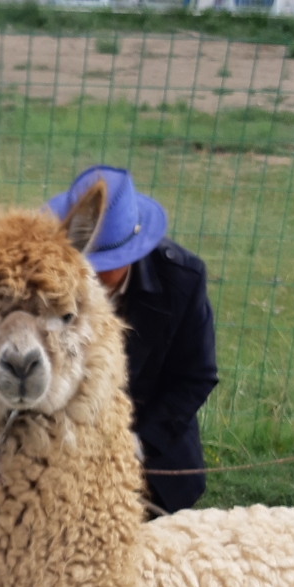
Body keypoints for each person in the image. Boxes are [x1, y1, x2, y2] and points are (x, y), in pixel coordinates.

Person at [47, 165, 218, 513]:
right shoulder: (43, 281)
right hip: (62, 447)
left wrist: (139, 445)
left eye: (103, 263)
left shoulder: (181, 281)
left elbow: (195, 376)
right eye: (80, 258)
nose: (89, 273)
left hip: (150, 453)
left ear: (134, 250)